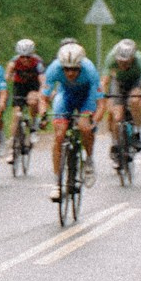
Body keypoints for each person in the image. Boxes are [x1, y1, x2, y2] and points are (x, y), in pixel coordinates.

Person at [45, 40, 101, 200]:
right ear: (61, 67)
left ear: (81, 66)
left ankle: (89, 162)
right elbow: (43, 96)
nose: (70, 73)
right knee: (59, 135)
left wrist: (93, 122)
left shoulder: (90, 70)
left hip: (86, 97)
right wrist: (43, 112)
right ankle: (57, 183)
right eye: (67, 69)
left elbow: (101, 103)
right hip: (65, 97)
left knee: (84, 127)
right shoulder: (54, 68)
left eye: (75, 69)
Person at [103, 38, 141, 170]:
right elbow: (104, 81)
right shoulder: (111, 57)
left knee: (134, 101)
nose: (122, 64)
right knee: (116, 115)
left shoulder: (139, 60)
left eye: (126, 62)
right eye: (120, 61)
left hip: (135, 81)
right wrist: (103, 97)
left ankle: (137, 133)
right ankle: (116, 145)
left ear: (132, 58)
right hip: (118, 82)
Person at [8, 37, 45, 125]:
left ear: (32, 55)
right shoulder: (14, 61)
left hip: (33, 85)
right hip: (19, 85)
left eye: (28, 57)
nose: (25, 59)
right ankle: (13, 137)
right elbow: (7, 75)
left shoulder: (38, 62)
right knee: (16, 112)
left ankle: (33, 125)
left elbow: (42, 79)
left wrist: (41, 92)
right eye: (22, 57)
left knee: (32, 102)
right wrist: (11, 77)